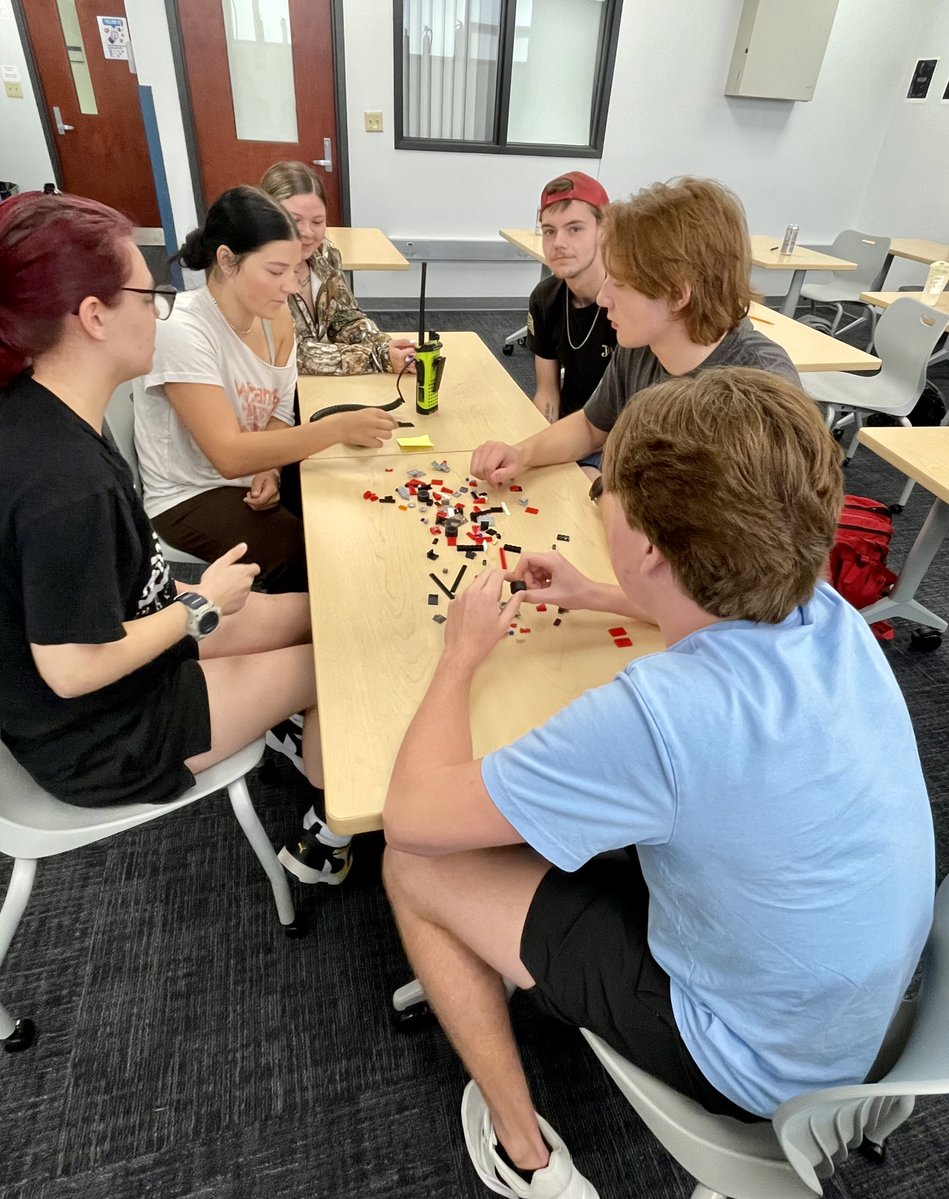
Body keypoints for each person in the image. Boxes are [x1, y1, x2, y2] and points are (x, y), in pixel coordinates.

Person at [383, 367, 935, 1199]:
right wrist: (597, 593)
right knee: (582, 825)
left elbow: (412, 817)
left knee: (413, 866)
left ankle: (524, 1155)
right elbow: (723, 608)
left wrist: (461, 656)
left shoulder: (659, 715)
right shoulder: (825, 613)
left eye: (604, 489)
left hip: (753, 1063)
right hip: (854, 1018)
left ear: (645, 545)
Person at [0, 191, 350, 885]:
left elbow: (109, 590)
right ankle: (332, 829)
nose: (159, 309)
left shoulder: (48, 410)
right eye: (146, 294)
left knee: (337, 612)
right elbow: (72, 669)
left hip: (130, 642)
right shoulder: (64, 484)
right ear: (94, 317)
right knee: (340, 663)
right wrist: (200, 603)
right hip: (106, 732)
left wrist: (195, 597)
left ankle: (292, 731)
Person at [133, 185, 397, 592]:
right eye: (275, 272)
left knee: (356, 510)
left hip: (248, 471)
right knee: (315, 560)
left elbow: (277, 412)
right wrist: (338, 429)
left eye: (294, 271)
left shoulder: (275, 320)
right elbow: (228, 455)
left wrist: (270, 468)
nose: (291, 286)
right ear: (227, 260)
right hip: (189, 495)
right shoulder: (182, 329)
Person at [471, 176, 800, 487]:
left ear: (676, 294)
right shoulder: (643, 341)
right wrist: (523, 454)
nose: (603, 297)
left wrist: (605, 489)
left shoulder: (760, 390)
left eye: (621, 283)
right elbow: (591, 426)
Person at [259, 160, 416, 377]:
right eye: (294, 220)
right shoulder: (257, 273)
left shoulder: (325, 253)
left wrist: (384, 345)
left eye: (317, 221)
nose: (307, 232)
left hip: (317, 382)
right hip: (270, 390)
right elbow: (292, 353)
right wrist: (376, 357)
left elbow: (344, 317)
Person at [527, 172, 616, 425]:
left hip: (618, 437)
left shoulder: (629, 302)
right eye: (549, 231)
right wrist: (544, 435)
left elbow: (637, 413)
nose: (558, 243)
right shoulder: (544, 298)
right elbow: (547, 393)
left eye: (574, 229)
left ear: (604, 230)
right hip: (570, 429)